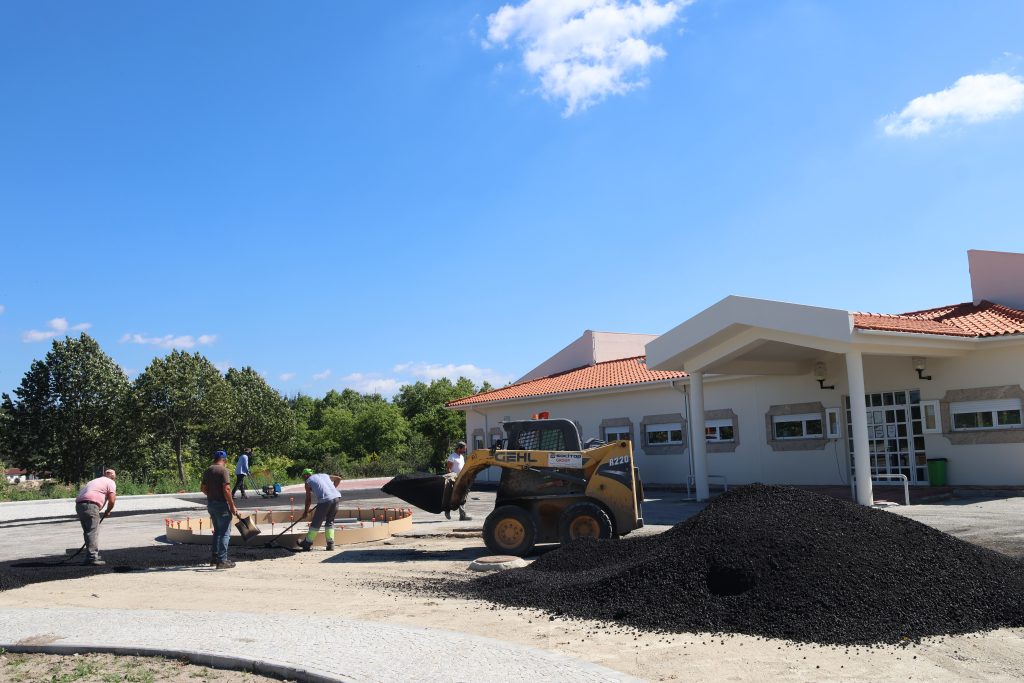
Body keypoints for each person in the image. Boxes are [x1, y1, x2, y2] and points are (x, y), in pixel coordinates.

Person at [201, 450, 239, 569]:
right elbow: (227, 489)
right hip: (222, 505)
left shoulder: (208, 470)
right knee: (225, 533)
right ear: (224, 460)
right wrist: (232, 506)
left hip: (211, 505)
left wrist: (211, 494)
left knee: (217, 532)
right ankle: (222, 561)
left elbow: (202, 488)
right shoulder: (224, 471)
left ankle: (214, 558)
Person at [75, 469, 117, 566]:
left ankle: (90, 555)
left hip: (80, 505)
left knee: (87, 531)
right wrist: (108, 511)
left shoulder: (93, 481)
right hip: (91, 505)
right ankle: (92, 557)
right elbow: (112, 500)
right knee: (93, 531)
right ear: (113, 476)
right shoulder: (110, 482)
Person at [296, 468, 342, 551]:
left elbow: (308, 499)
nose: (303, 479)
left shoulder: (308, 481)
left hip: (325, 500)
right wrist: (331, 491)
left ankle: (307, 543)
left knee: (316, 523)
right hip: (336, 498)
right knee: (330, 521)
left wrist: (306, 512)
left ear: (306, 475)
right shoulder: (324, 475)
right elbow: (338, 478)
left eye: (303, 477)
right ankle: (330, 544)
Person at [445, 441, 472, 521]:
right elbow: (449, 469)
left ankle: (462, 516)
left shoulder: (461, 457)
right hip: (454, 479)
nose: (465, 450)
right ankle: (447, 511)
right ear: (459, 448)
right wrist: (452, 479)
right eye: (464, 449)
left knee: (462, 497)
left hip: (462, 479)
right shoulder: (452, 457)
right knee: (451, 497)